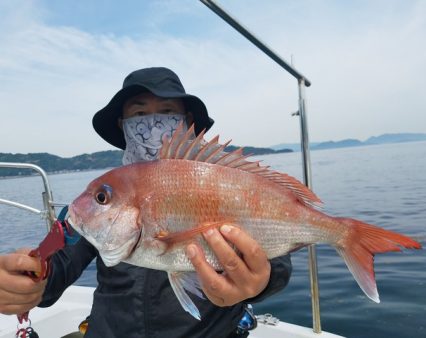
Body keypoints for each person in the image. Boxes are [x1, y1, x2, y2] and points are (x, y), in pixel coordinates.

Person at [0, 67, 292, 337]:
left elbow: (277, 254)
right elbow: (61, 257)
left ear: (186, 122)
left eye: (166, 111)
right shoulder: (104, 197)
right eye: (140, 112)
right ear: (123, 125)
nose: (152, 124)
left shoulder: (218, 179)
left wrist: (261, 281)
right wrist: (31, 281)